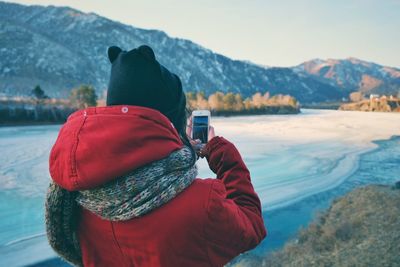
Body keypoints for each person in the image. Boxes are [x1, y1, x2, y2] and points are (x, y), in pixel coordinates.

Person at [45, 45, 266, 267]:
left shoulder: (73, 193)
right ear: (170, 122)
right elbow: (252, 225)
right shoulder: (202, 203)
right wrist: (218, 150)